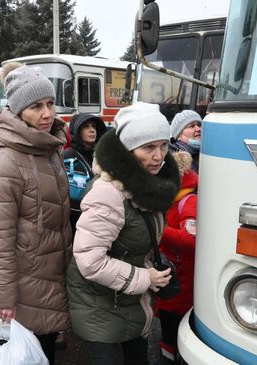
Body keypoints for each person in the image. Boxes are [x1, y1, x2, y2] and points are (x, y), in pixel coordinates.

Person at [67, 102, 181, 365]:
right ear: (128, 150)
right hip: (99, 305)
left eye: (163, 145)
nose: (159, 156)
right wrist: (146, 277)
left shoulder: (148, 185)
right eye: (148, 147)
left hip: (127, 301)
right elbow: (89, 260)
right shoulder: (109, 192)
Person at [0, 62, 72, 364]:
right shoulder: (4, 162)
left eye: (50, 103)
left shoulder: (47, 147)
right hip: (24, 287)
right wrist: (3, 300)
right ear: (18, 110)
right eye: (36, 106)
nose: (47, 114)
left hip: (50, 274)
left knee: (43, 354)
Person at [155, 151, 198, 364]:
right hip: (172, 279)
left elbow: (191, 240)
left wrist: (159, 229)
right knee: (168, 331)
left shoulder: (187, 201)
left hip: (181, 284)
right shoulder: (174, 198)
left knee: (173, 331)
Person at [61, 113, 107, 233]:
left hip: (98, 217)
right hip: (74, 220)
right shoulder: (68, 155)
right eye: (86, 127)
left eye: (93, 126)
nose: (92, 130)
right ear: (77, 131)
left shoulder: (101, 154)